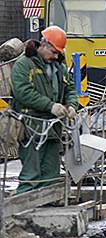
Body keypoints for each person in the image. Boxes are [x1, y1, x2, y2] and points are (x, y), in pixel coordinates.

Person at [11, 25, 77, 194]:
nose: (56, 56)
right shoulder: (24, 65)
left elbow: (69, 89)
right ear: (44, 45)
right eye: (53, 52)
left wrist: (71, 105)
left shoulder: (58, 67)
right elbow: (23, 92)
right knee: (31, 173)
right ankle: (22, 209)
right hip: (31, 125)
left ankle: (48, 204)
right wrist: (51, 106)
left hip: (52, 127)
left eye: (58, 53)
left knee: (50, 174)